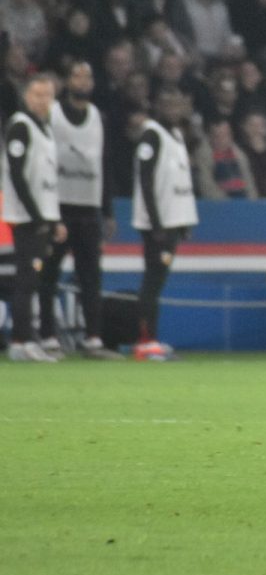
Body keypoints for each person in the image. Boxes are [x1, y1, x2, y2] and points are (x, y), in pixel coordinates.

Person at [40, 60, 123, 359]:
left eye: (88, 76)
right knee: (48, 274)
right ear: (68, 81)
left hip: (88, 208)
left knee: (91, 276)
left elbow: (105, 164)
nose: (83, 81)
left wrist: (108, 210)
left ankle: (93, 338)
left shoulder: (99, 118)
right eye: (77, 75)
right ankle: (47, 335)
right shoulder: (54, 114)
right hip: (59, 206)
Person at [131, 87, 198, 361]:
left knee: (158, 281)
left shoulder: (178, 135)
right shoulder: (152, 135)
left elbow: (179, 181)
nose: (174, 110)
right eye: (168, 105)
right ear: (157, 107)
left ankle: (152, 338)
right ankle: (145, 341)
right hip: (157, 223)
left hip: (172, 221)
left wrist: (183, 220)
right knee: (152, 280)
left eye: (178, 104)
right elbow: (145, 180)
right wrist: (156, 222)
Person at [3, 73, 65, 362]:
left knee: (34, 279)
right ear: (27, 96)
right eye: (38, 95)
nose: (43, 101)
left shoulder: (45, 129)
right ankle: (20, 340)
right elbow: (16, 173)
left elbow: (46, 180)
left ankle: (28, 337)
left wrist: (55, 219)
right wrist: (36, 214)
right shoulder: (21, 126)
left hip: (43, 215)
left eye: (48, 96)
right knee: (26, 279)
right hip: (27, 217)